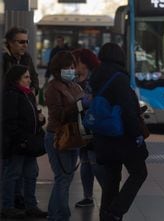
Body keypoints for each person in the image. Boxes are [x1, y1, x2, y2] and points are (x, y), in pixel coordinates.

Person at [89, 42, 148, 221]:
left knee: (112, 180)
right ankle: (116, 211)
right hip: (122, 136)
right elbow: (128, 110)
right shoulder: (119, 78)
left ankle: (107, 216)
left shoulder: (96, 77)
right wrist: (137, 133)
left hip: (103, 135)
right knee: (139, 173)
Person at [1, 65, 47, 219]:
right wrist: (22, 139)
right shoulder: (12, 95)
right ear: (17, 80)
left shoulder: (28, 94)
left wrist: (41, 120)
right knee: (13, 173)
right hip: (19, 144)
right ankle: (7, 206)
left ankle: (31, 205)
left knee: (31, 174)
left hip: (29, 143)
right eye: (26, 77)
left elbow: (32, 117)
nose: (30, 80)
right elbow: (10, 122)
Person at [44, 51, 84, 221]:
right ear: (58, 69)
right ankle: (60, 215)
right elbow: (57, 114)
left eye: (72, 67)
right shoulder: (53, 87)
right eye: (67, 67)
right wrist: (77, 106)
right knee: (63, 177)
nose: (71, 70)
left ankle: (55, 214)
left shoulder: (75, 86)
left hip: (74, 135)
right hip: (58, 135)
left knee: (66, 177)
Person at [71, 48, 102, 208]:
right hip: (79, 127)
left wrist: (80, 99)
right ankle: (87, 196)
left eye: (76, 62)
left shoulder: (94, 78)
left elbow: (90, 101)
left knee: (93, 161)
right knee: (84, 161)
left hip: (92, 125)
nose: (73, 65)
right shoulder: (74, 78)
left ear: (84, 63)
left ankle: (107, 193)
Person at [3, 26, 39, 94]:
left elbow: (34, 76)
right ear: (10, 43)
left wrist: (34, 89)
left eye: (27, 42)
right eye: (21, 42)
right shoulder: (4, 59)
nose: (25, 45)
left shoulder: (26, 57)